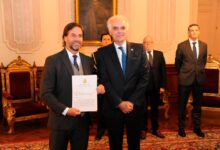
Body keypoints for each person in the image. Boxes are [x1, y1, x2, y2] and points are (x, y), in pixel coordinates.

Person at [40, 22, 105, 150]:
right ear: (65, 38)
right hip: (60, 121)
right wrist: (65, 110)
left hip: (82, 122)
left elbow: (90, 84)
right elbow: (45, 93)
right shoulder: (53, 61)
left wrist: (98, 88)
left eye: (80, 36)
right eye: (73, 35)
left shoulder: (88, 61)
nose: (77, 39)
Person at [97, 15, 149, 150]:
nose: (119, 31)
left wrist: (131, 101)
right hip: (113, 106)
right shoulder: (102, 53)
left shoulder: (139, 49)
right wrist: (119, 103)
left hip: (135, 106)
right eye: (115, 28)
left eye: (122, 28)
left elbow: (144, 77)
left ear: (127, 30)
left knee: (134, 143)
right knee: (115, 144)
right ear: (110, 32)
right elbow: (104, 80)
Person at [175, 24, 207, 138]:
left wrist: (198, 71)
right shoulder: (182, 46)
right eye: (191, 30)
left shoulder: (204, 45)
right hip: (185, 80)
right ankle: (181, 128)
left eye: (196, 30)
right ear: (188, 32)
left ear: (199, 32)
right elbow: (177, 63)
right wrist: (183, 73)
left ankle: (197, 128)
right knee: (182, 105)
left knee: (198, 105)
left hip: (199, 79)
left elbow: (203, 61)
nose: (194, 32)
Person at [140, 35, 166, 139]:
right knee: (143, 110)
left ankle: (155, 129)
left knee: (155, 109)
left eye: (150, 42)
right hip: (143, 88)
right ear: (143, 44)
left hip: (156, 87)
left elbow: (163, 71)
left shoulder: (159, 54)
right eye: (145, 42)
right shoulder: (140, 55)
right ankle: (143, 129)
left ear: (153, 43)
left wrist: (162, 86)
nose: (148, 44)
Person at [92, 33, 112, 140]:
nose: (106, 41)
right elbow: (93, 72)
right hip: (100, 87)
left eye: (108, 39)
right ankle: (101, 131)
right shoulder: (95, 55)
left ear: (111, 41)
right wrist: (99, 84)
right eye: (104, 39)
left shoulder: (116, 54)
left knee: (113, 110)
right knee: (102, 110)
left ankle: (112, 130)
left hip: (114, 88)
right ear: (101, 42)